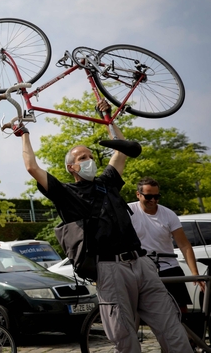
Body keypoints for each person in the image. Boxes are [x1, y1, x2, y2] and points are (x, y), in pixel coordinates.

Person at [15, 99, 192, 353]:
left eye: (90, 155)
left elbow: (123, 150)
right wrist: (24, 134)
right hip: (110, 269)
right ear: (71, 167)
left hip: (142, 263)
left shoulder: (106, 181)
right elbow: (32, 166)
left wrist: (109, 117)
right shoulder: (66, 193)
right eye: (82, 157)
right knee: (124, 337)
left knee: (172, 328)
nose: (89, 160)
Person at [128, 177, 204, 312]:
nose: (153, 200)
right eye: (149, 196)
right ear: (138, 195)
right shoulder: (128, 211)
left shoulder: (168, 214)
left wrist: (195, 273)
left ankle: (183, 332)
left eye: (157, 197)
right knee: (142, 311)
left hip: (168, 266)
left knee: (180, 310)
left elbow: (184, 245)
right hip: (140, 268)